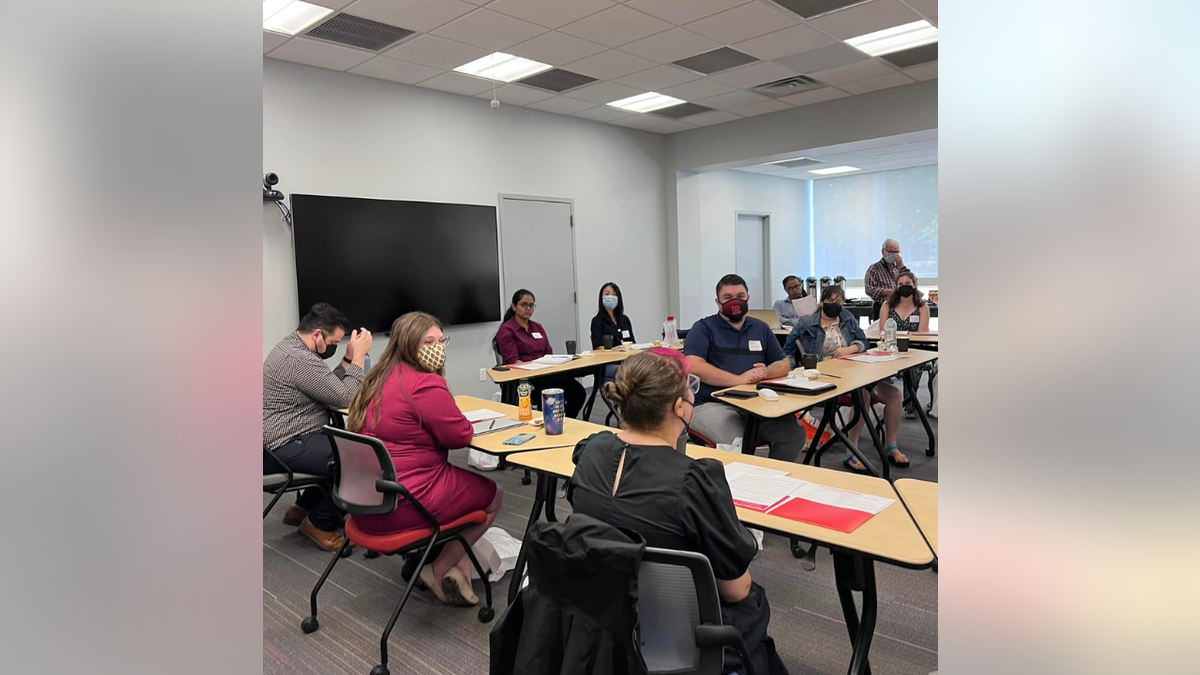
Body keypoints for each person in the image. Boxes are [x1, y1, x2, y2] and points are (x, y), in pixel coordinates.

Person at [569, 350, 790, 675]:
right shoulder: (695, 480)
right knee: (751, 597)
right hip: (676, 635)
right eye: (690, 389)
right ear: (679, 407)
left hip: (599, 625)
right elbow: (735, 588)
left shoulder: (590, 452)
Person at [347, 312, 503, 607]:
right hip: (404, 503)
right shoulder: (424, 384)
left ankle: (456, 566)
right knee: (494, 497)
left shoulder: (378, 378)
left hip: (364, 503)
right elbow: (459, 435)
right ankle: (439, 567)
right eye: (427, 341)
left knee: (458, 489)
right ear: (408, 345)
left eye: (441, 340)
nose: (438, 347)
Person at [263, 303, 372, 550]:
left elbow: (328, 386)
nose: (333, 348)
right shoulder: (298, 359)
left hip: (281, 440)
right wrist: (357, 359)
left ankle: (301, 509)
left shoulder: (291, 348)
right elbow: (345, 397)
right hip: (282, 447)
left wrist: (346, 359)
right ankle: (318, 523)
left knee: (337, 443)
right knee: (359, 457)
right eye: (333, 343)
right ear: (316, 335)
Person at [783, 286, 909, 470]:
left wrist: (850, 349)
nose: (834, 305)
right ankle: (851, 451)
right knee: (863, 396)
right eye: (830, 301)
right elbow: (787, 351)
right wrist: (791, 374)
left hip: (855, 371)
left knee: (895, 395)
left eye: (838, 301)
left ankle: (891, 446)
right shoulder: (807, 323)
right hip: (825, 377)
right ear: (821, 302)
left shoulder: (847, 318)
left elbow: (864, 342)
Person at [684, 274, 806, 461]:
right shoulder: (703, 328)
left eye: (740, 297)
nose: (735, 301)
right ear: (718, 303)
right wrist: (738, 380)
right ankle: (739, 486)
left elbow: (784, 364)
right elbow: (694, 366)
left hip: (753, 403)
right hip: (711, 404)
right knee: (736, 439)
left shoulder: (761, 328)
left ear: (748, 298)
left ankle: (770, 480)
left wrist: (765, 372)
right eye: (728, 298)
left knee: (793, 434)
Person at [495, 289, 586, 418]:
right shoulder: (507, 330)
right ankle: (553, 421)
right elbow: (513, 361)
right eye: (523, 305)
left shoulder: (537, 327)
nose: (528, 308)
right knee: (549, 396)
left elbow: (548, 353)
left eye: (531, 305)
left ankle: (565, 421)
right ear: (514, 307)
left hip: (546, 373)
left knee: (578, 392)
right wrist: (535, 368)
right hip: (526, 379)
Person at [879, 271, 930, 418]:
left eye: (908, 284)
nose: (904, 287)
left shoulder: (922, 307)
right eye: (901, 284)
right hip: (891, 347)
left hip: (914, 348)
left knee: (913, 367)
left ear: (914, 285)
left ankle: (910, 404)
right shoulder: (887, 305)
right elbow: (882, 330)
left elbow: (922, 332)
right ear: (896, 286)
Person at [589, 282, 635, 382]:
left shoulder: (624, 320)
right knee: (625, 372)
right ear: (601, 298)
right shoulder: (597, 321)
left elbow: (633, 343)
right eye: (607, 294)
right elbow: (598, 347)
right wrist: (617, 350)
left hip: (626, 361)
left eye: (614, 294)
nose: (611, 297)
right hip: (608, 364)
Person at [864, 238, 911, 322]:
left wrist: (901, 266)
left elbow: (911, 282)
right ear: (883, 252)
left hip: (900, 306)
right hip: (882, 307)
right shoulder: (873, 269)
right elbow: (869, 289)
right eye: (891, 252)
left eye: (896, 252)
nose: (894, 255)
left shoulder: (898, 267)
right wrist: (890, 292)